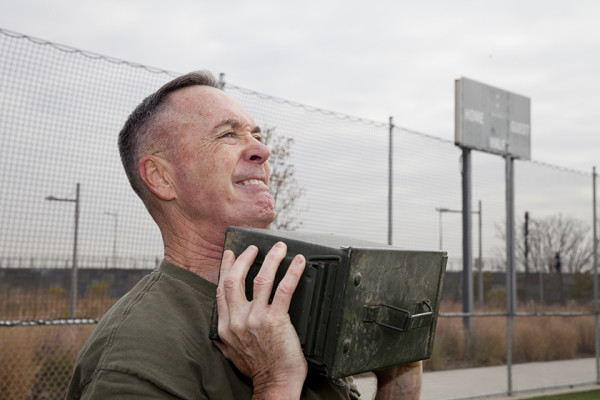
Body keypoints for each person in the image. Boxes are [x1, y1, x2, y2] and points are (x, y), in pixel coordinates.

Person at [66, 71, 422, 399]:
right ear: (161, 178)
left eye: (256, 135)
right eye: (227, 134)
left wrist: (400, 366)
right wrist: (275, 381)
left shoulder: (296, 297)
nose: (263, 151)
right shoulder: (136, 357)